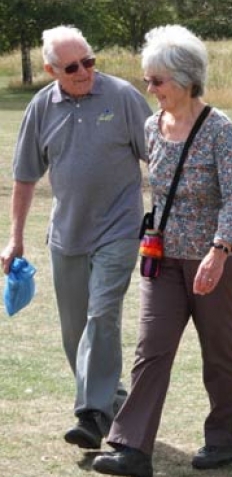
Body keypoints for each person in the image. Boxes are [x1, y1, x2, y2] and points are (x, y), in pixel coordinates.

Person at [92, 25, 232, 477]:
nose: (150, 88)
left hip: (214, 262)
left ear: (185, 80)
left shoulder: (219, 128)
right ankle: (131, 448)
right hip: (162, 260)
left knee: (219, 352)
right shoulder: (150, 126)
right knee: (151, 349)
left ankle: (223, 441)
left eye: (156, 80)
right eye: (147, 79)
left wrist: (218, 252)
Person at [0, 26, 150, 450]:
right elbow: (25, 177)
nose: (84, 71)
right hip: (66, 234)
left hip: (119, 229)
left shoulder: (122, 97)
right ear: (51, 70)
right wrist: (15, 239)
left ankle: (89, 416)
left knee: (102, 316)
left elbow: (156, 157)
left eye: (89, 61)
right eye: (72, 67)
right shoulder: (40, 108)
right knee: (74, 333)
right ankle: (115, 405)